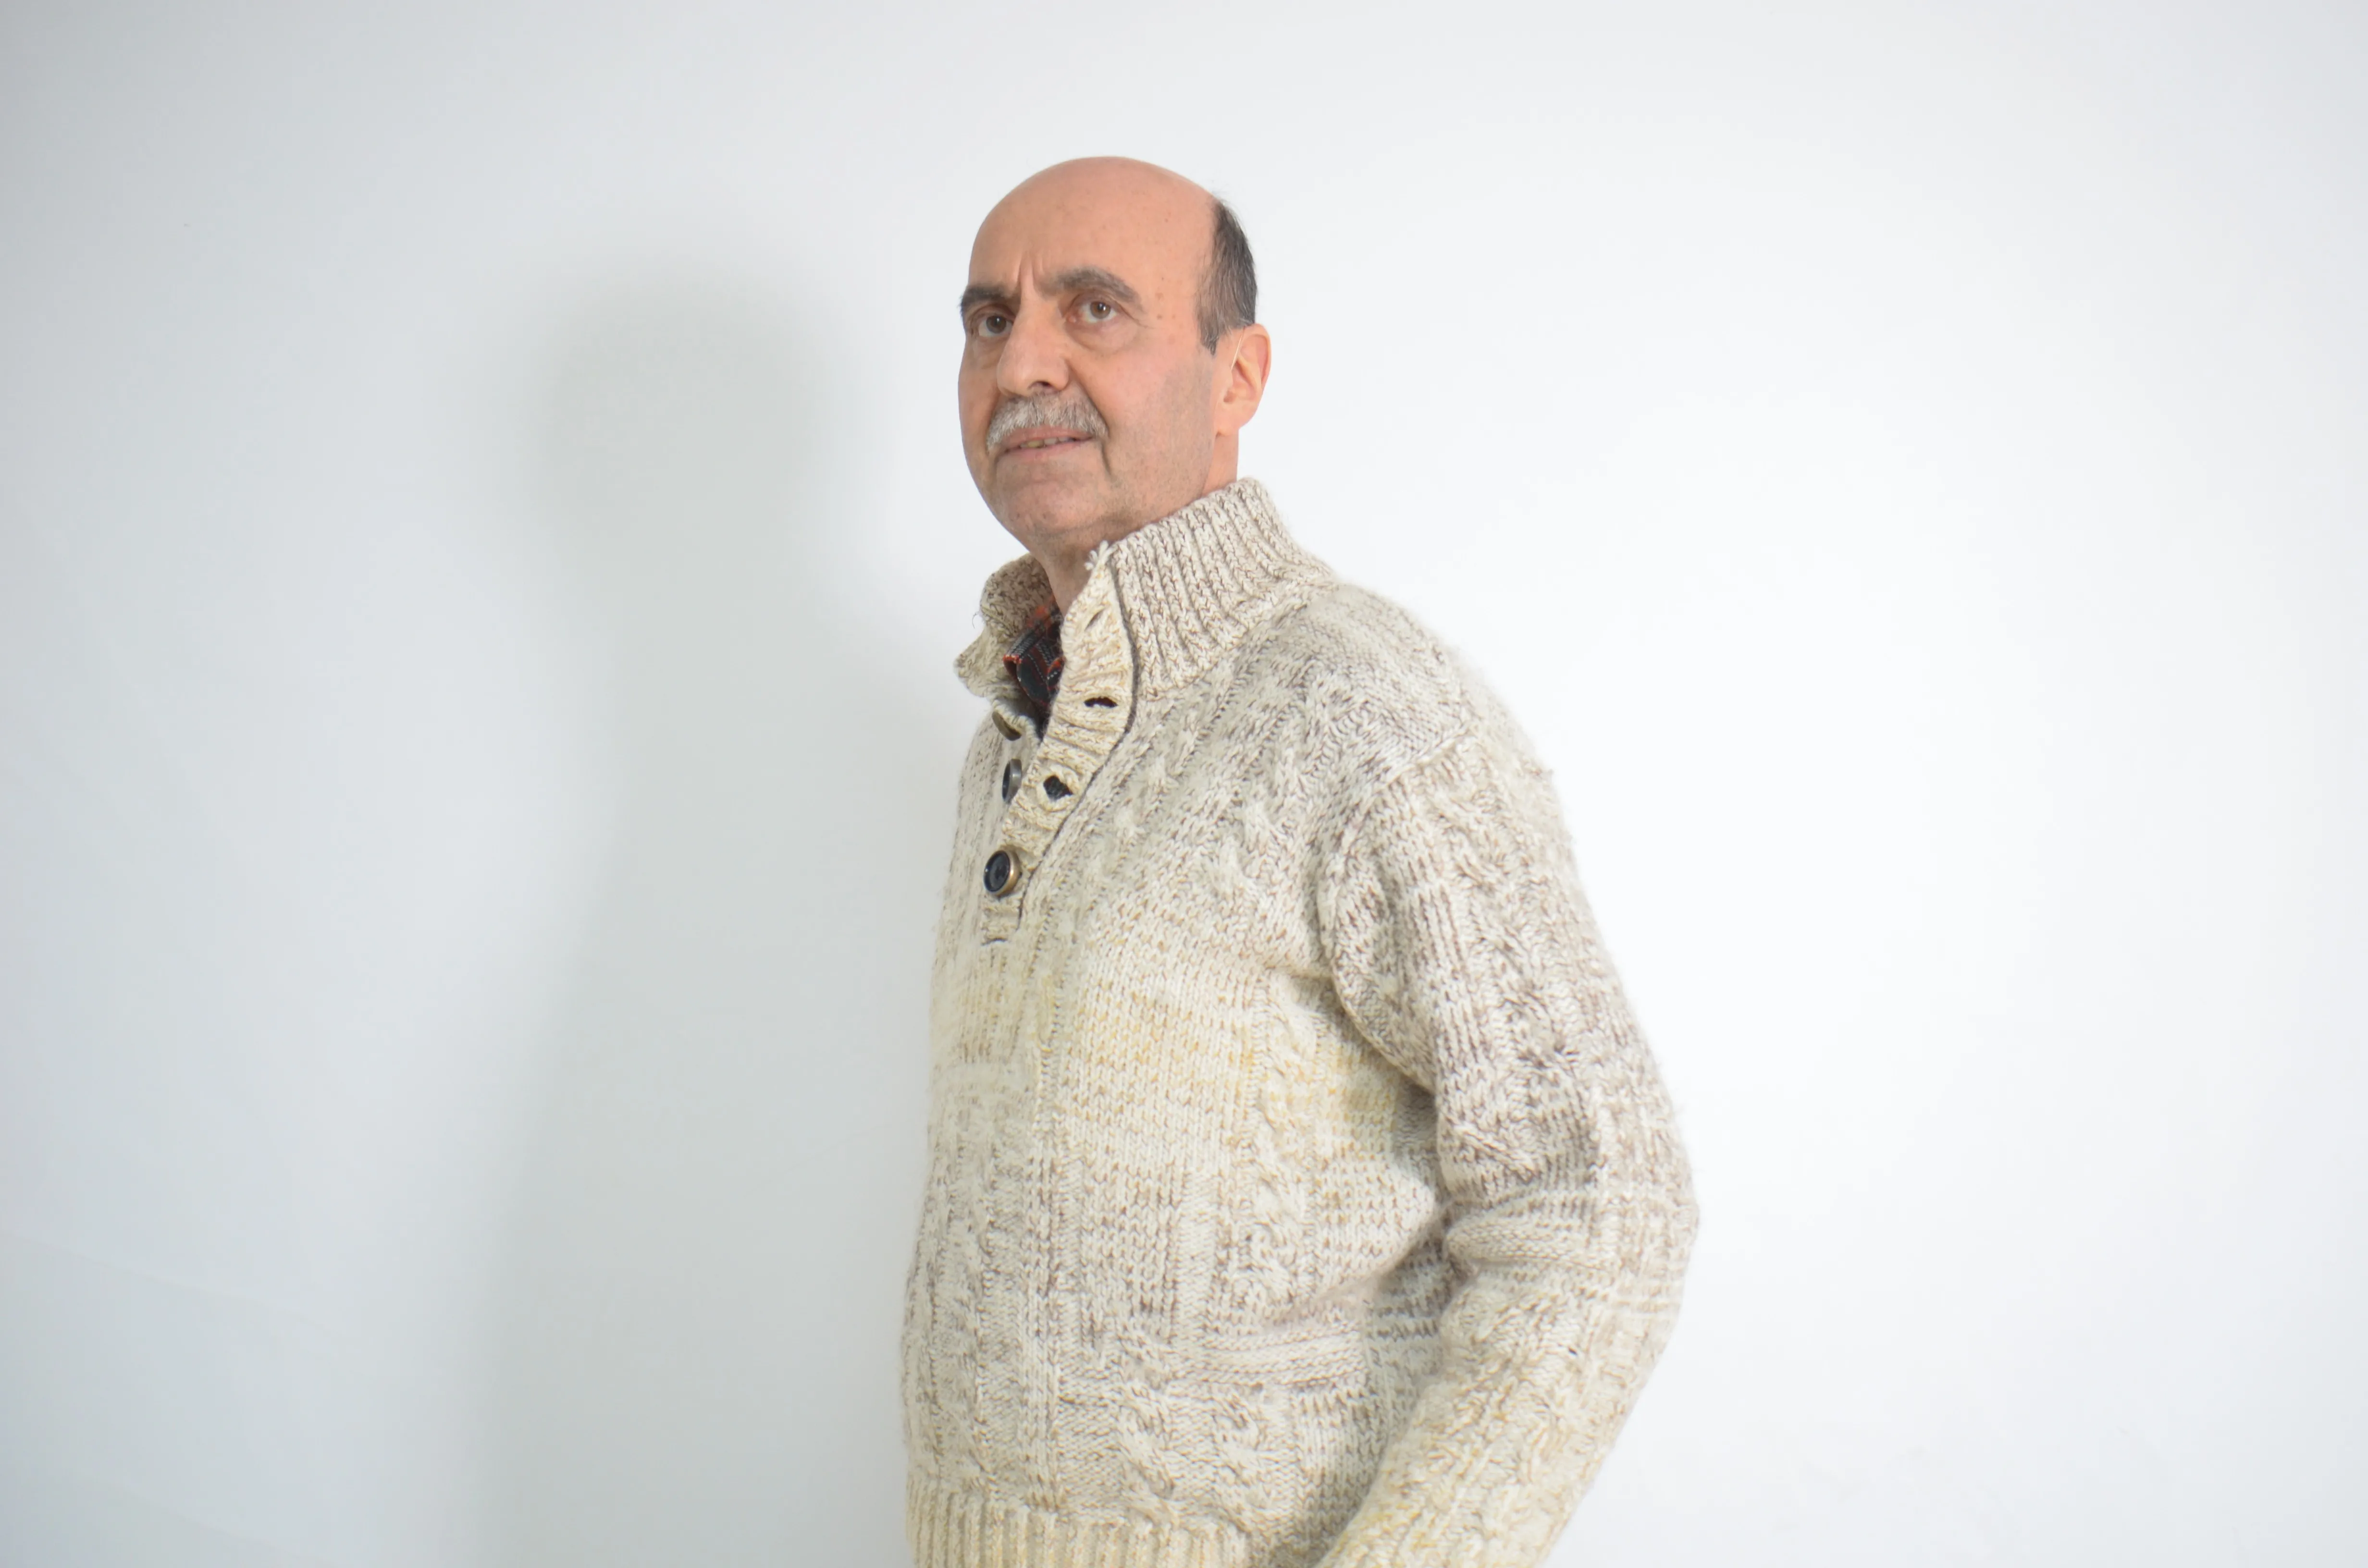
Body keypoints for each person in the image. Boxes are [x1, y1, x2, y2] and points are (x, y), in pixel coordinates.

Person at [900, 156, 1698, 1568]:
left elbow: (1599, 1204)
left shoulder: (1360, 709)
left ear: (1238, 376)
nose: (1022, 363)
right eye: (990, 319)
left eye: (1096, 309)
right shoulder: (1015, 724)